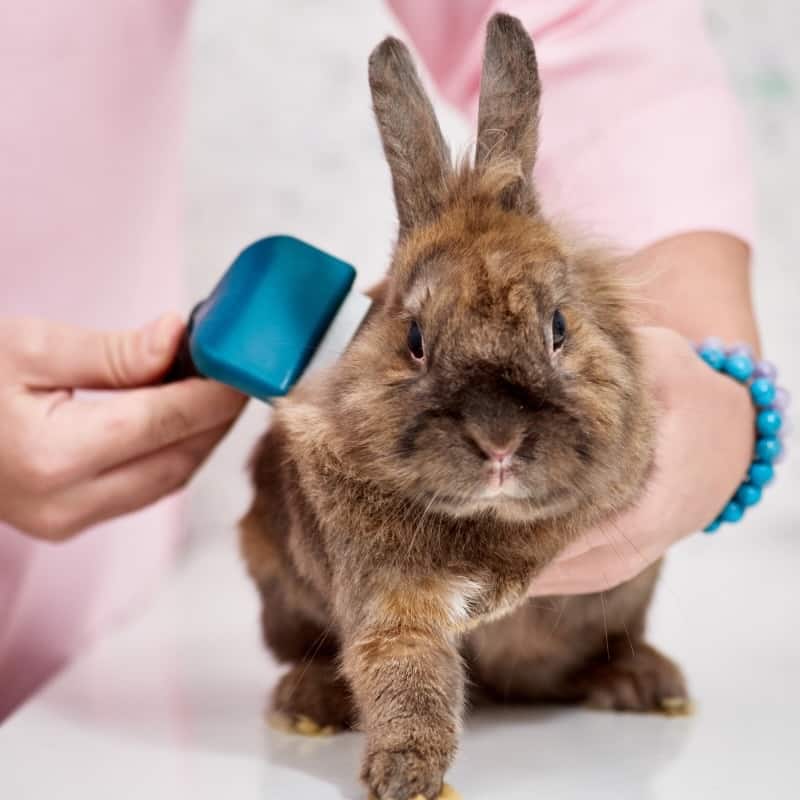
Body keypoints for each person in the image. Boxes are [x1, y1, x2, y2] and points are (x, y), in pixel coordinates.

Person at [0, 0, 758, 717]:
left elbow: (588, 16)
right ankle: (329, 659)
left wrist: (723, 395)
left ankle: (584, 659)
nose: (498, 435)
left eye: (554, 332)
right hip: (102, 658)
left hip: (91, 568)